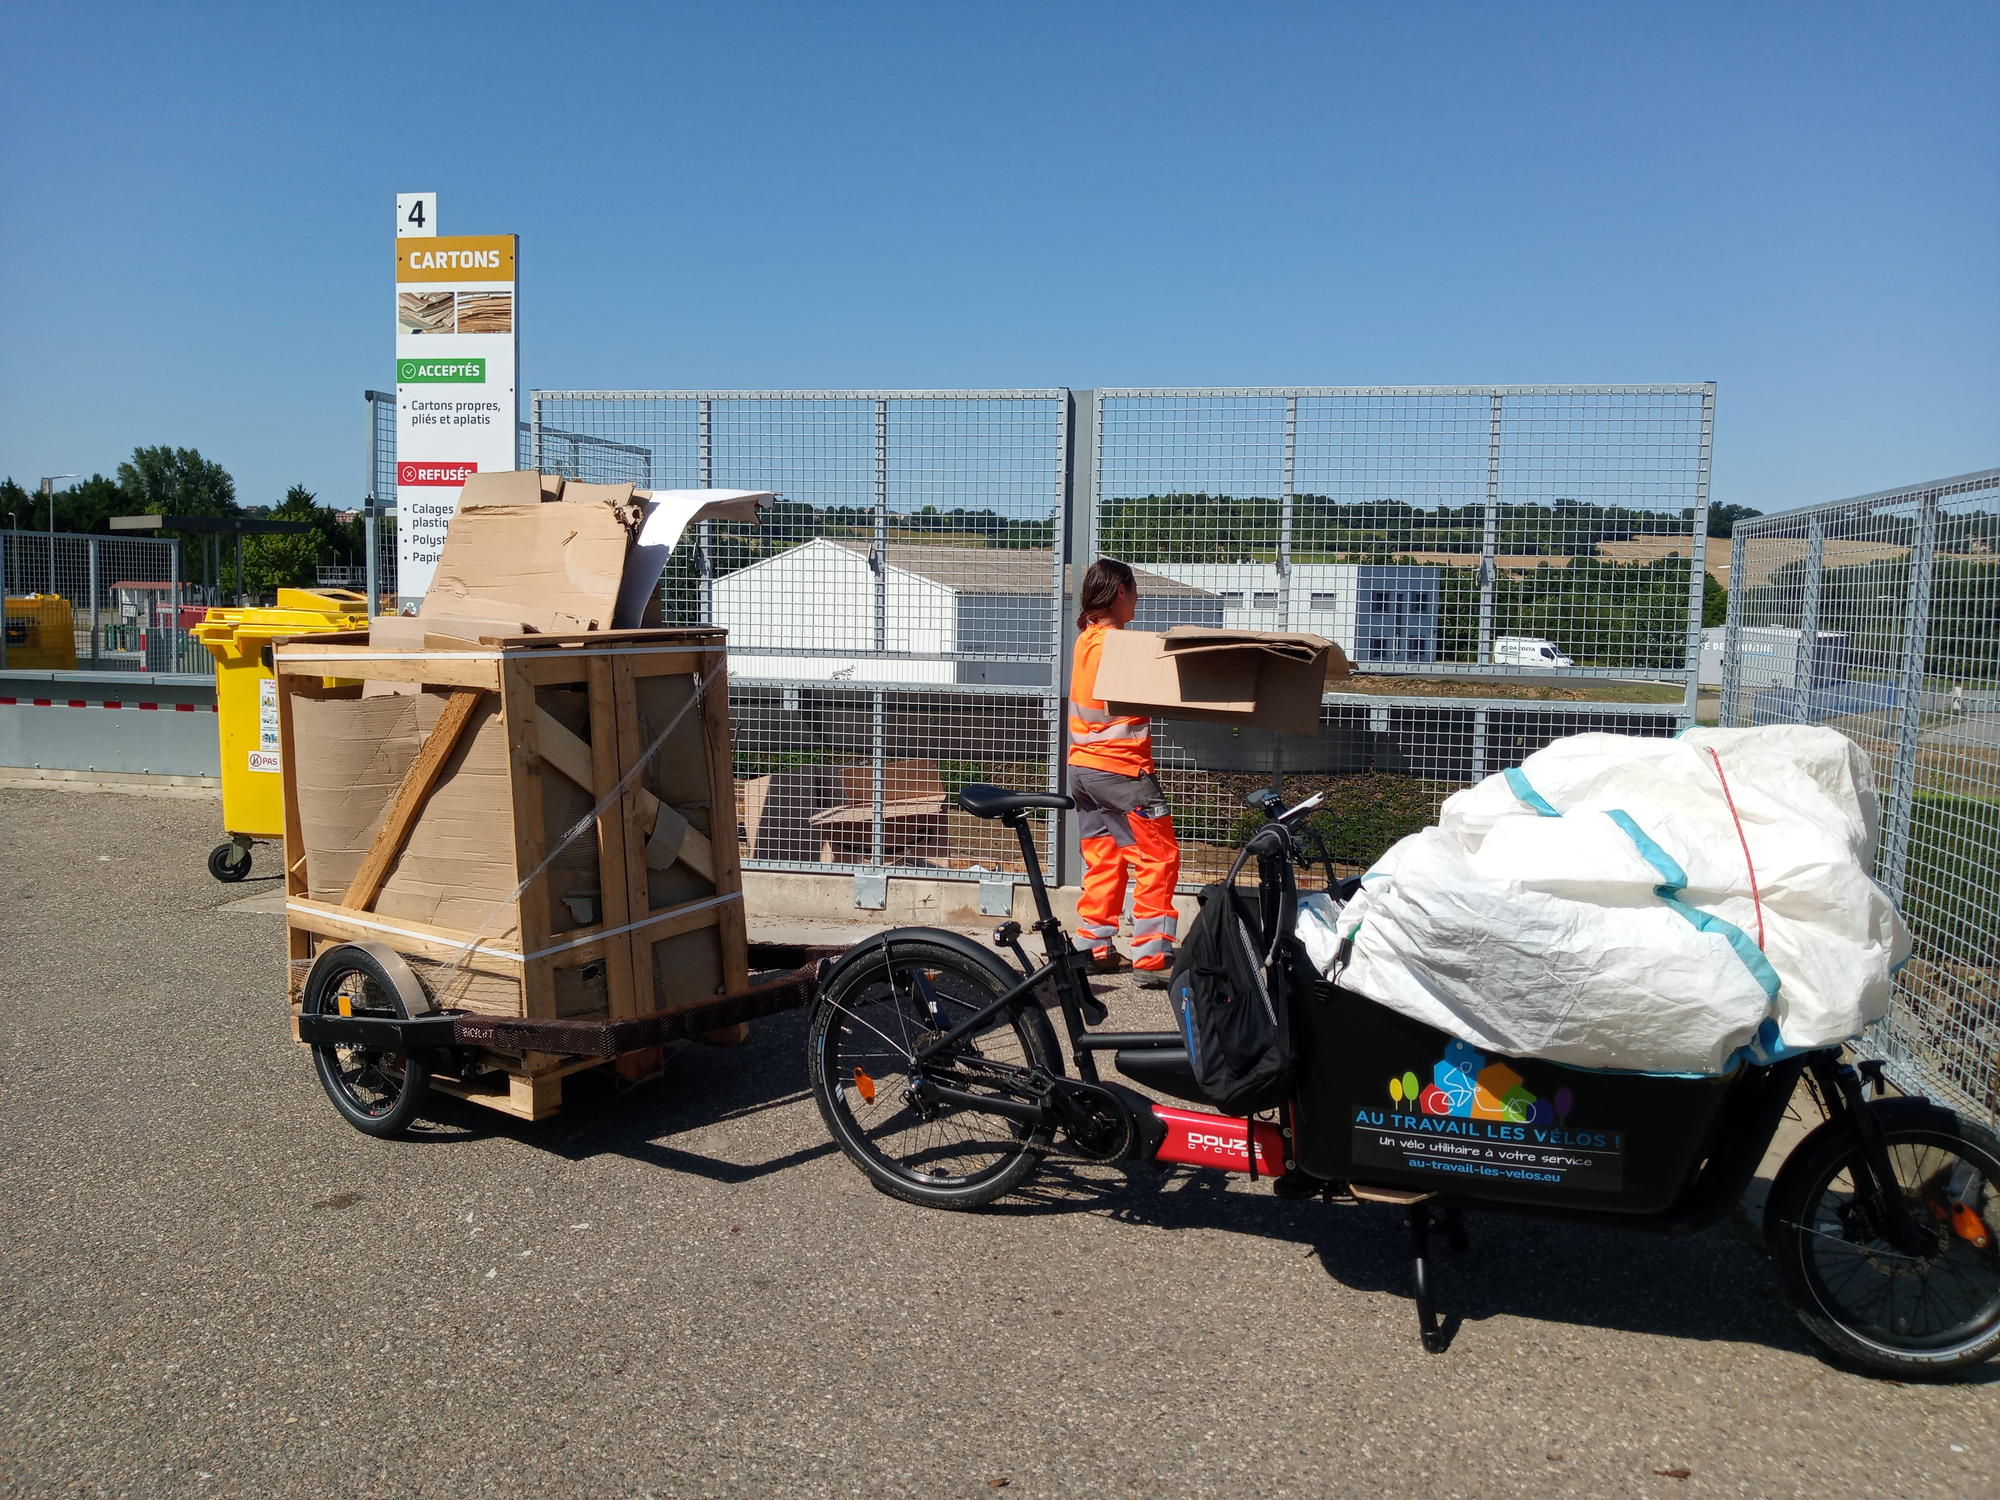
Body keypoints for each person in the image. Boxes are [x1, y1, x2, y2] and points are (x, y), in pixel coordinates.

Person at [1068, 558, 1181, 986]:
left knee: (1105, 858)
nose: (1137, 599)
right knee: (1158, 855)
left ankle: (1094, 946)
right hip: (1121, 771)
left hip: (1083, 770)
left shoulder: (1086, 640)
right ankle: (1151, 958)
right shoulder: (1119, 646)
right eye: (1134, 591)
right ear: (1121, 591)